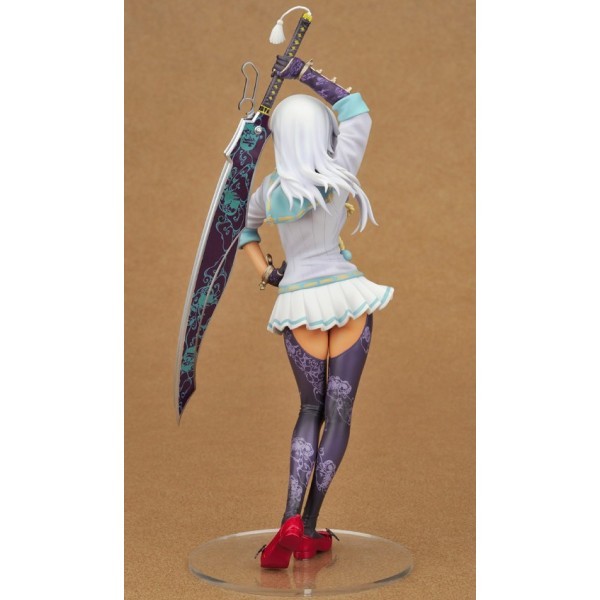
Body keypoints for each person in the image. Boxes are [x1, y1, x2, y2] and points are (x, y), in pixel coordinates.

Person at [238, 56, 394, 569]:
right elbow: (357, 110)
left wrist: (268, 273)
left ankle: (288, 519)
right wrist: (304, 71)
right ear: (321, 133)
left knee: (310, 410)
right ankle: (306, 527)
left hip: (299, 304)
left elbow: (244, 230)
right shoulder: (339, 171)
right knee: (339, 414)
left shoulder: (269, 191)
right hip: (348, 299)